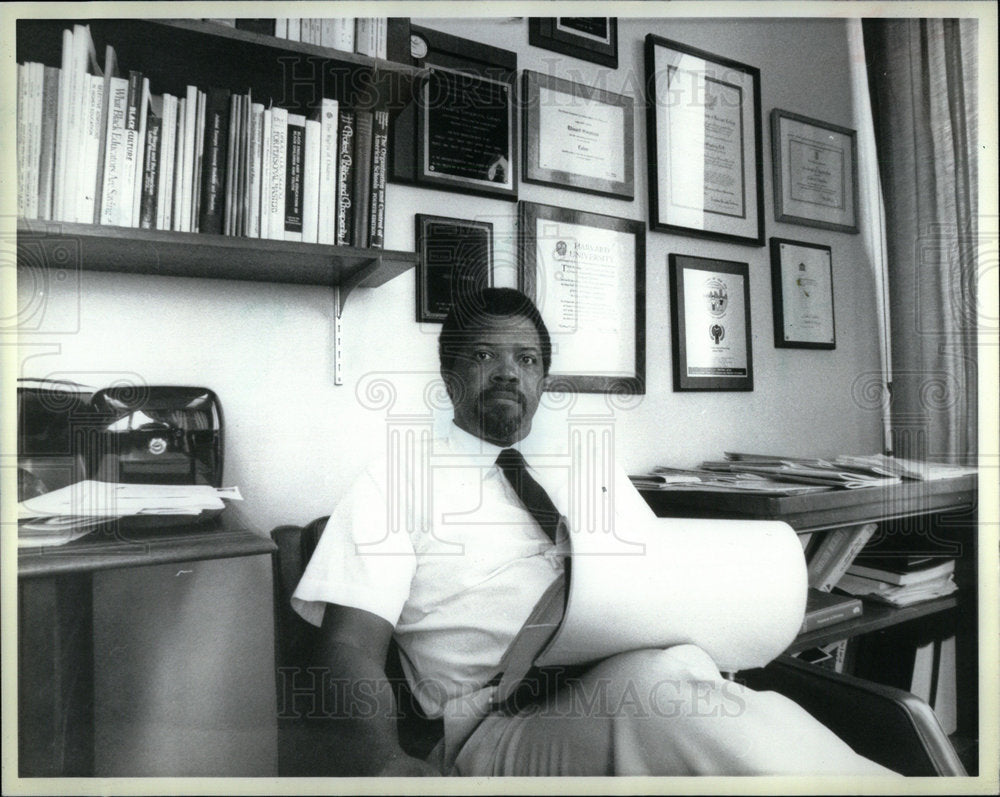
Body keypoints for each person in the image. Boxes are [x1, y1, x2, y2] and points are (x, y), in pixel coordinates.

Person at [291, 287, 896, 777]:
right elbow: (348, 648)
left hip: (658, 675)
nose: (507, 373)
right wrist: (379, 761)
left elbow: (654, 587)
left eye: (526, 360)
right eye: (484, 356)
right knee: (685, 713)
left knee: (767, 724)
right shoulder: (393, 480)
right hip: (503, 722)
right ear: (449, 378)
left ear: (544, 382)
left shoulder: (593, 470)